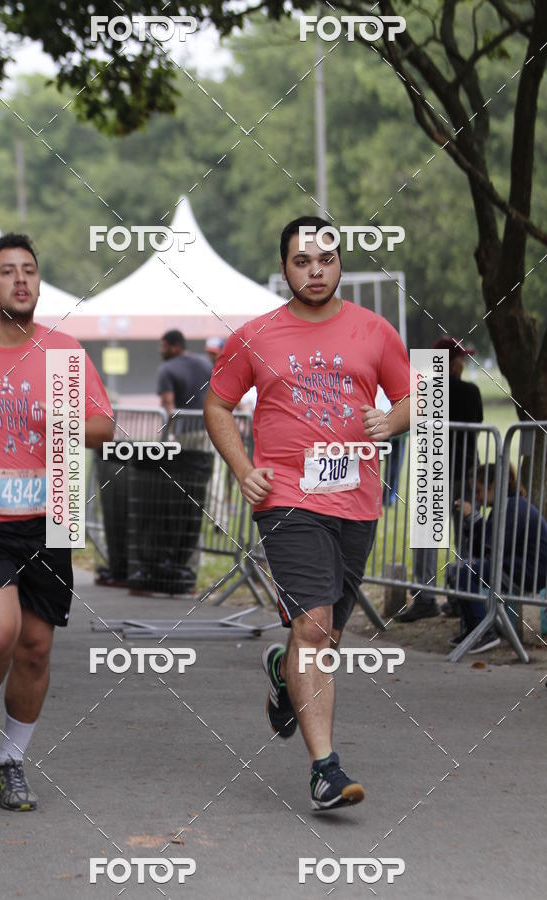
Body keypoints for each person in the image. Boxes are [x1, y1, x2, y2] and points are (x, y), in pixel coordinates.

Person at [204, 216, 411, 810]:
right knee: (315, 628)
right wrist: (245, 470)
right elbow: (218, 406)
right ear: (285, 267)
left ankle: (282, 674)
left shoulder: (374, 331)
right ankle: (326, 769)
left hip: (357, 500)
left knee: (324, 637)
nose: (314, 271)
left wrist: (389, 421)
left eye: (325, 260)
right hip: (288, 500)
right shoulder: (254, 336)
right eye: (301, 261)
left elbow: (410, 397)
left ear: (340, 263)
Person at [0, 233, 113, 811]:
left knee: (36, 648)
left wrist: (60, 419)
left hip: (50, 513)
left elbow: (103, 426)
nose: (21, 281)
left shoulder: (64, 352)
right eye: (8, 272)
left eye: (30, 271)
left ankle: (11, 763)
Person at [397, 336, 483, 622]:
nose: (463, 363)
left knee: (426, 539)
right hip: (466, 473)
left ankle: (426, 597)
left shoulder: (425, 392)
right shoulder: (470, 392)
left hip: (434, 471)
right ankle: (463, 597)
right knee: (467, 538)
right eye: (460, 358)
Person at [449, 463, 547, 653]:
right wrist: (473, 521)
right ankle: (473, 630)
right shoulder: (506, 505)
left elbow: (491, 549)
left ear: (493, 486)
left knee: (463, 572)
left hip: (527, 572)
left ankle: (483, 633)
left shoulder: (513, 506)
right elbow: (486, 549)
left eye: (478, 491)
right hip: (514, 566)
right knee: (459, 571)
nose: (476, 497)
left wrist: (473, 518)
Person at [157, 329, 212, 417]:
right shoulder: (206, 363)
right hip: (207, 426)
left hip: (182, 428)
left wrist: (169, 429)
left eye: (164, 346)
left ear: (176, 346)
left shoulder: (167, 369)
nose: (161, 351)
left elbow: (167, 403)